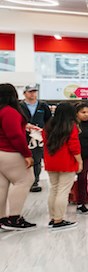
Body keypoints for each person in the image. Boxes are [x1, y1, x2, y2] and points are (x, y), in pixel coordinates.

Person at [0, 83, 36, 230]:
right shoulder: (10, 111)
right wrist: (27, 154)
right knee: (25, 180)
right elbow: (15, 135)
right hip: (11, 153)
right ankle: (15, 217)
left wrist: (24, 125)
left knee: (2, 186)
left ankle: (2, 219)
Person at [42, 102, 82, 230]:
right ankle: (59, 220)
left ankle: (53, 218)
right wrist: (79, 161)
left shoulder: (48, 125)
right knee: (63, 191)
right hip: (67, 161)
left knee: (54, 189)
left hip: (51, 161)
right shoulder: (71, 126)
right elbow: (74, 146)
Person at [20, 85, 52, 192]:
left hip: (39, 137)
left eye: (34, 92)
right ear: (24, 93)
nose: (32, 94)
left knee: (37, 159)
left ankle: (35, 181)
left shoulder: (43, 106)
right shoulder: (19, 106)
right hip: (23, 137)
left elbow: (49, 121)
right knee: (23, 160)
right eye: (30, 92)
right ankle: (24, 181)